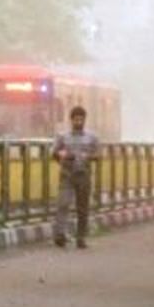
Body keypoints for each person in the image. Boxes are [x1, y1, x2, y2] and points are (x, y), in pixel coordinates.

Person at [53, 105, 100, 248]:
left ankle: (81, 237)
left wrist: (89, 156)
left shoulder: (92, 137)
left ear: (85, 120)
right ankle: (60, 234)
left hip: (83, 175)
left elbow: (98, 155)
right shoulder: (63, 137)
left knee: (82, 207)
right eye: (76, 120)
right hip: (67, 174)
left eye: (81, 120)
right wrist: (62, 155)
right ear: (71, 120)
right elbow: (54, 153)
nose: (78, 122)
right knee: (63, 204)